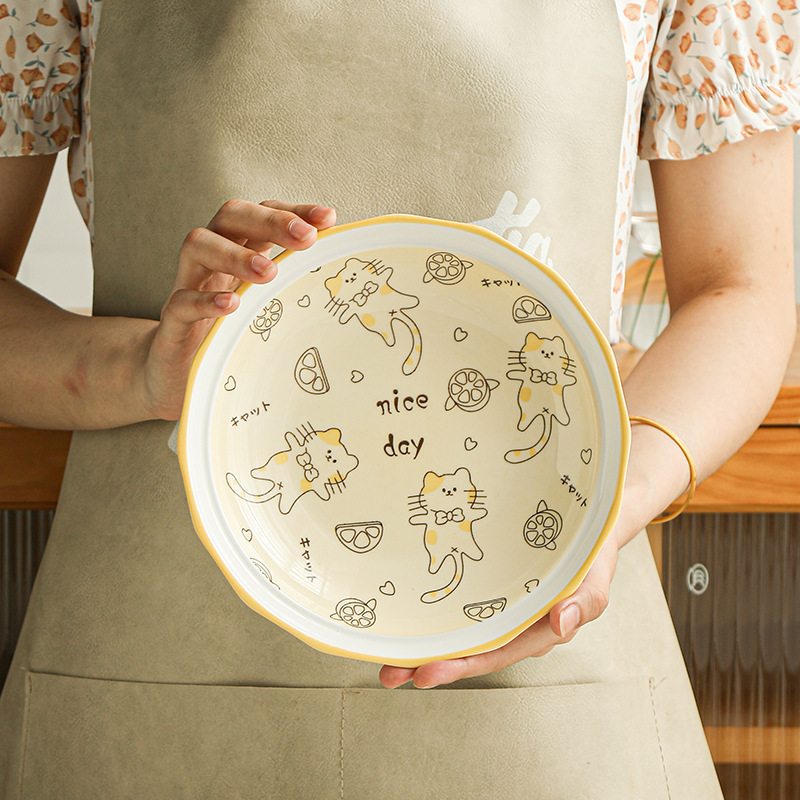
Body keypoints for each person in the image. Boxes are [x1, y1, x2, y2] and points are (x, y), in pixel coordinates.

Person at [0, 1, 797, 797]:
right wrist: (138, 369)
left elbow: (738, 288)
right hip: (149, 658)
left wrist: (608, 509)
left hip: (538, 663)